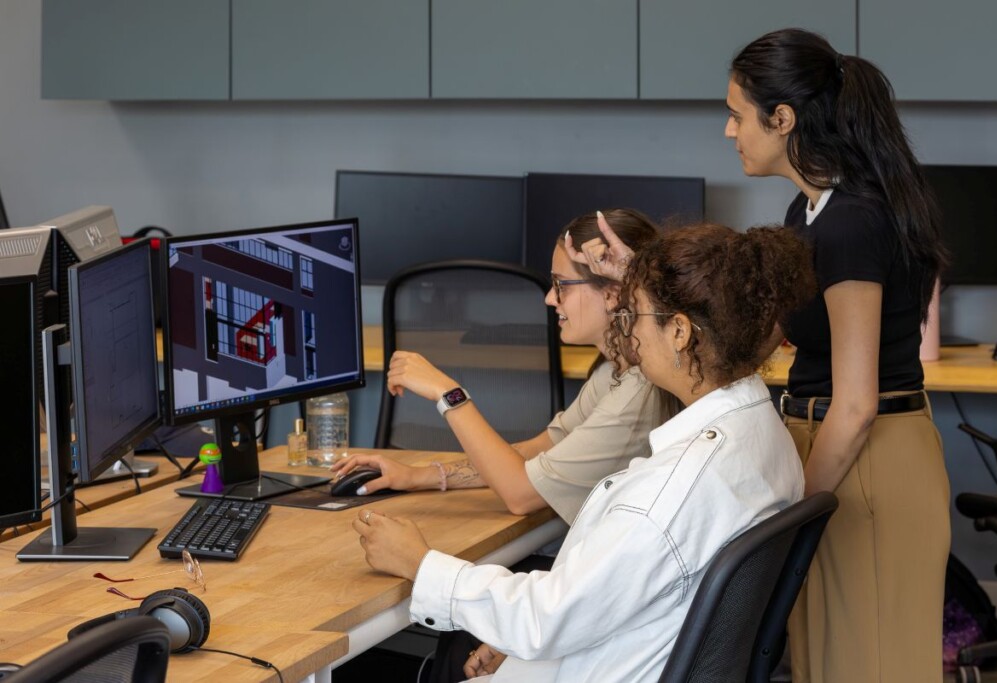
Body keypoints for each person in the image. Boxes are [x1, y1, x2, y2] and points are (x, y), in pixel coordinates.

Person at [352, 223, 813, 682]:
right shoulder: (764, 434)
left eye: (637, 315)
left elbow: (545, 619)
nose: (627, 329)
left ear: (678, 332)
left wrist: (419, 562)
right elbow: (585, 603)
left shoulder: (665, 496)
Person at [334, 209, 674, 681]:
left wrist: (448, 395)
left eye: (562, 285)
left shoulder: (637, 394)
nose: (549, 298)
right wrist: (421, 476)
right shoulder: (615, 373)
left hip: (598, 621)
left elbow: (520, 493)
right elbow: (540, 448)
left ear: (612, 291)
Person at [723, 28, 951, 683]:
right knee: (825, 664)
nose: (729, 131)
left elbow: (853, 403)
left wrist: (797, 512)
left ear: (783, 118)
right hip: (826, 448)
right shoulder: (809, 210)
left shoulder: (851, 221)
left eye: (738, 115)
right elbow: (763, 335)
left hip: (866, 458)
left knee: (871, 666)